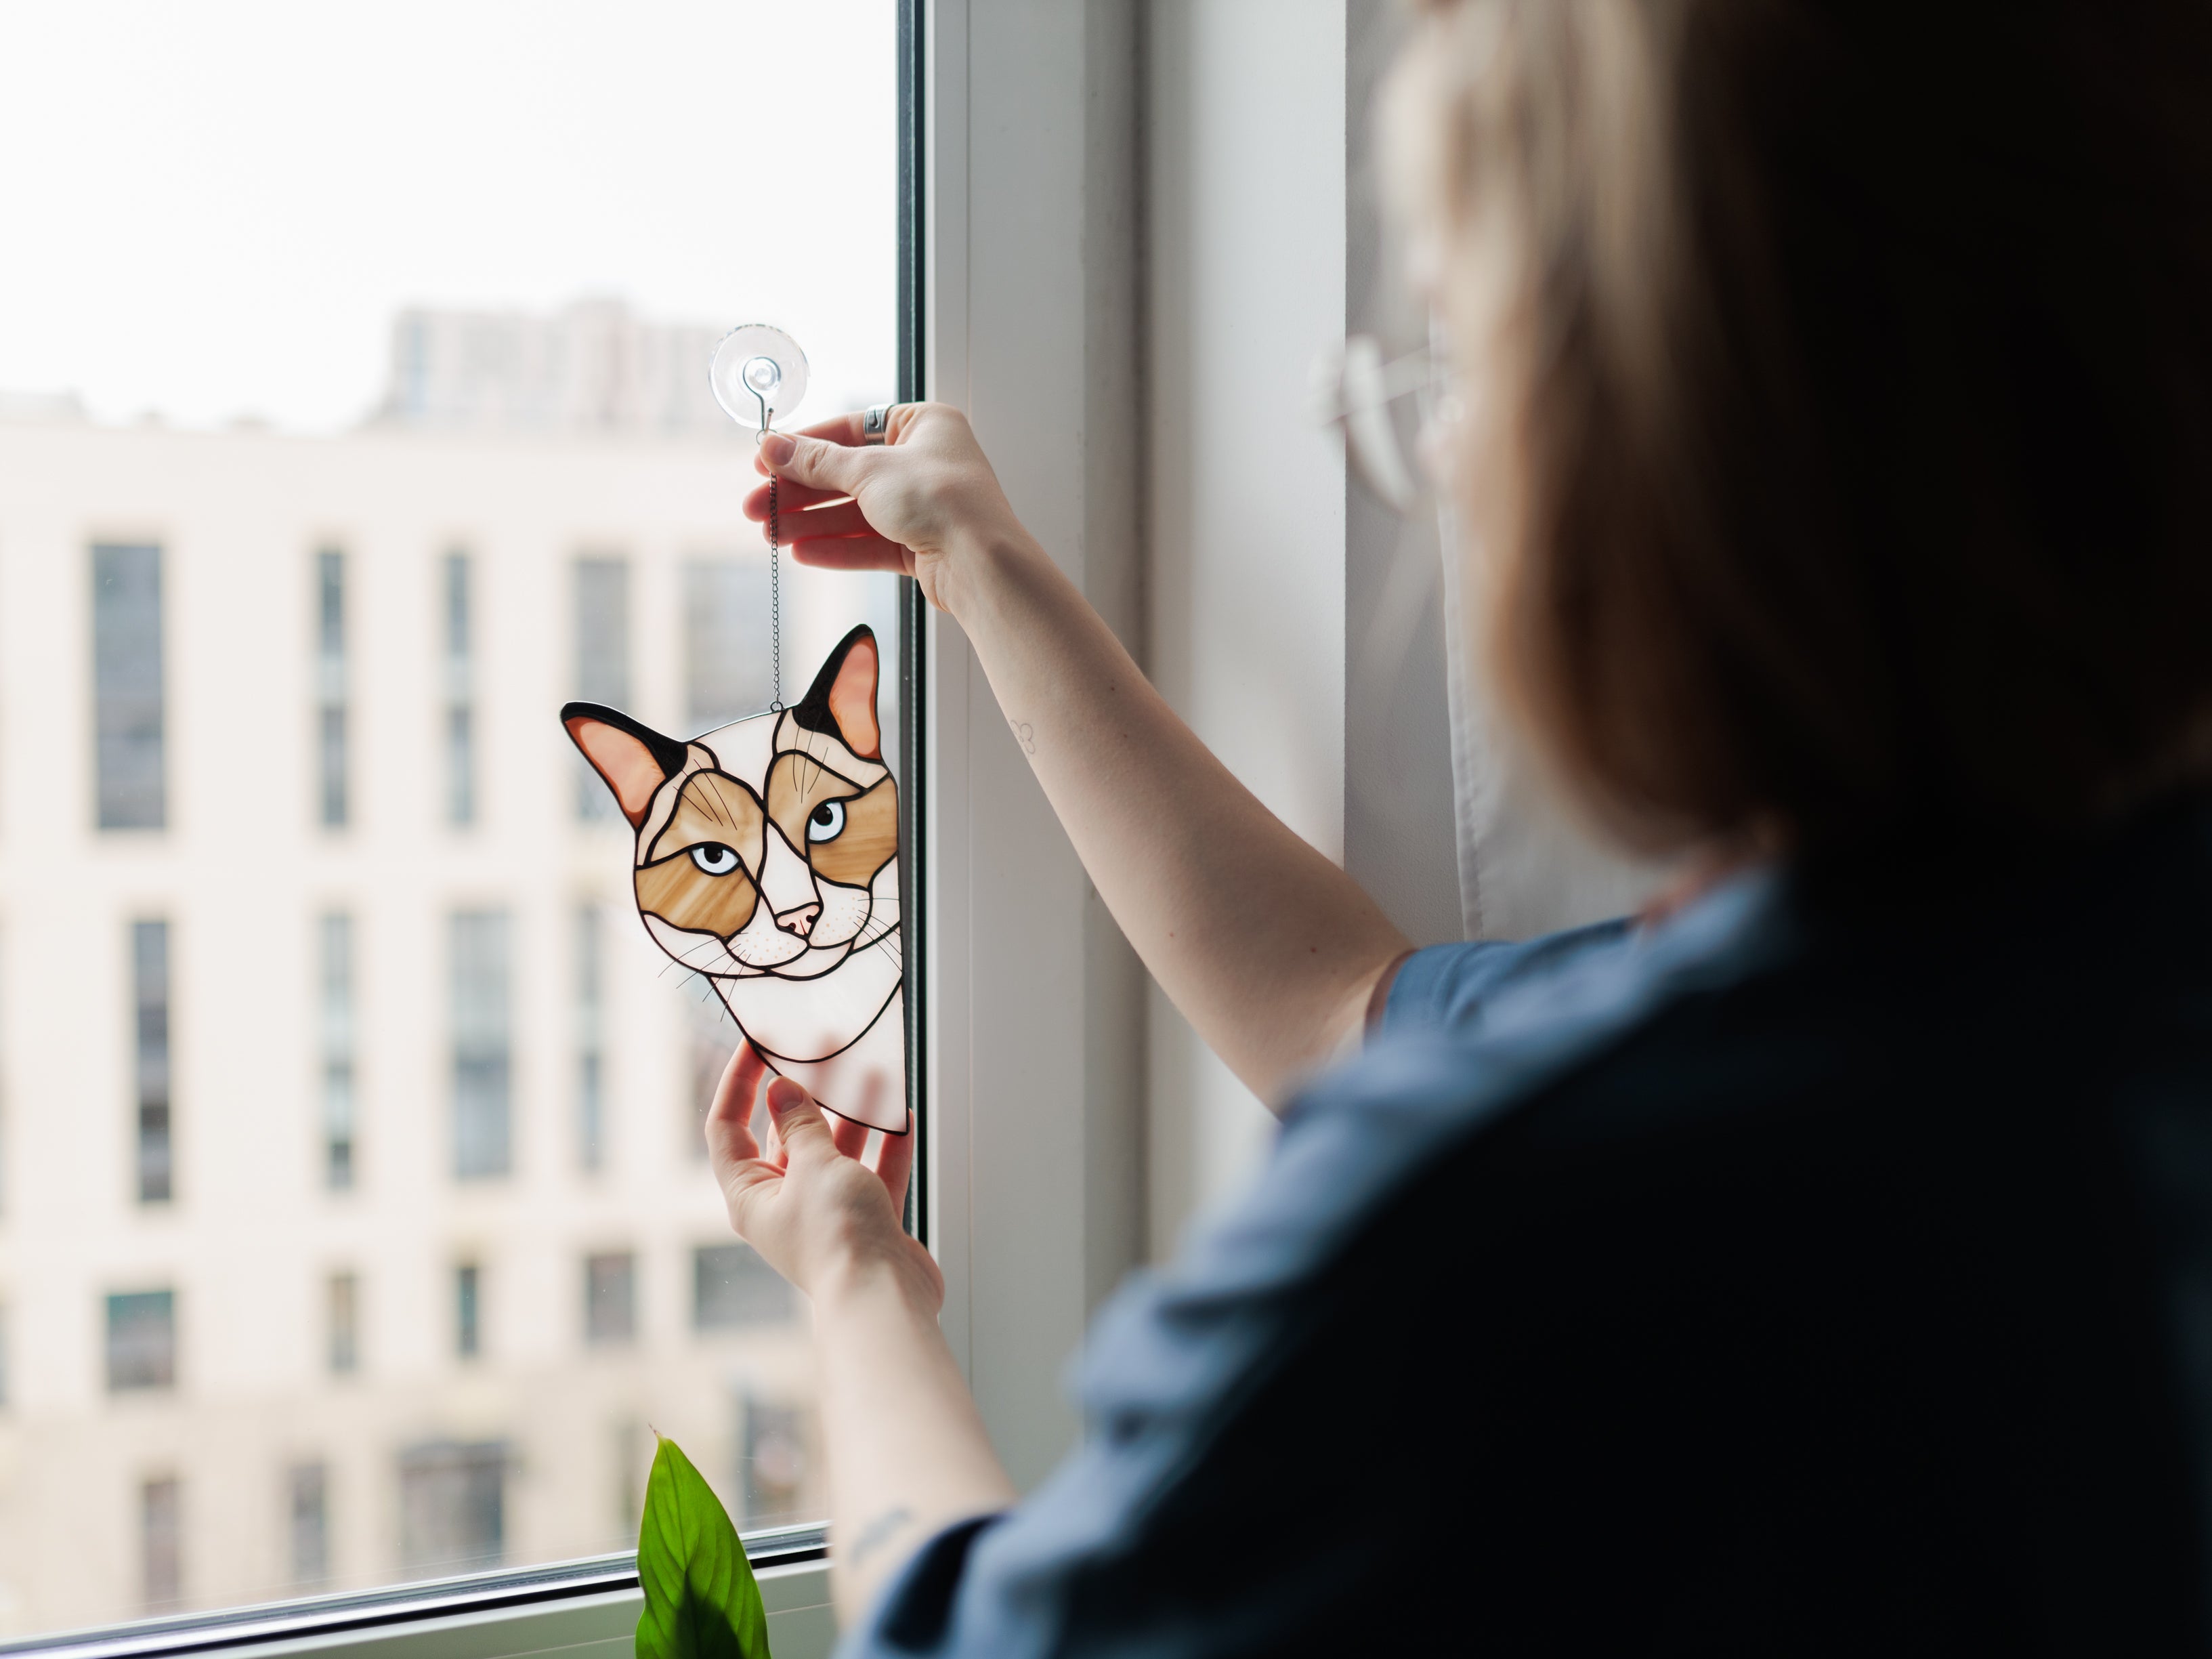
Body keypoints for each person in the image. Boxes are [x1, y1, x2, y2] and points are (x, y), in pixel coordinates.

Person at [709, 0, 2212, 1650]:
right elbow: (1335, 1007)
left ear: (1645, 451)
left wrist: (853, 1274)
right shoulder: (2081, 990)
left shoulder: (1518, 1219)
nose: (1435, 453)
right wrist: (976, 561)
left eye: (1451, 367)